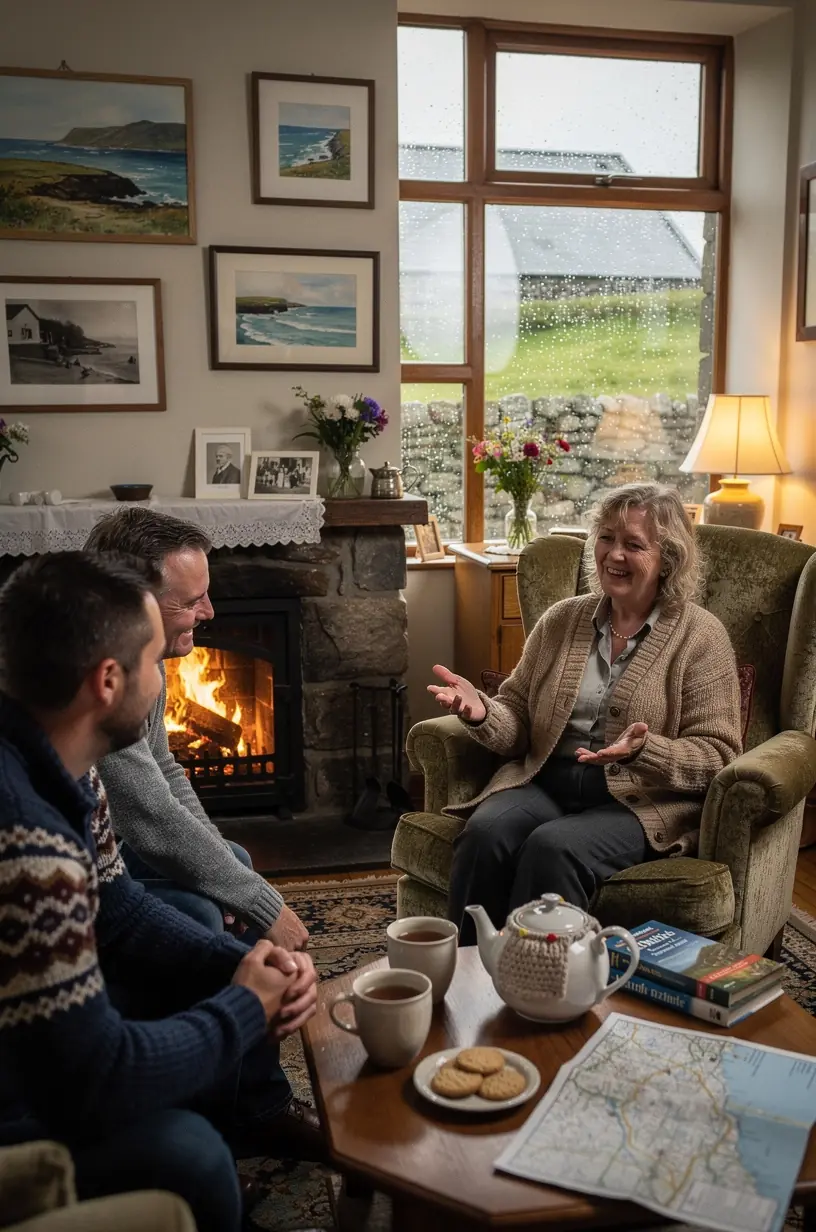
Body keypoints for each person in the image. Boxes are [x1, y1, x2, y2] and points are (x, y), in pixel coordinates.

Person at [0, 552, 320, 1232]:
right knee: (193, 1158)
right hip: (17, 1100)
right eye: (154, 661)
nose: (166, 677)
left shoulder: (64, 767)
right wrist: (242, 1008)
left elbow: (120, 908)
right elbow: (95, 1077)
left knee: (192, 944)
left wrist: (234, 964)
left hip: (36, 1037)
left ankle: (249, 1113)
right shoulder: (29, 846)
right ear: (108, 681)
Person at [430, 483, 743, 944]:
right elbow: (517, 718)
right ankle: (467, 981)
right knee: (485, 834)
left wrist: (645, 751)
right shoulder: (561, 620)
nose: (614, 554)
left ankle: (541, 990)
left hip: (635, 803)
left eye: (634, 544)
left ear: (668, 560)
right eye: (606, 537)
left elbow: (719, 754)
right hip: (547, 782)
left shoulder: (701, 638)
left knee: (551, 848)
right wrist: (482, 713)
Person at [84, 508, 310, 952]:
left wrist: (228, 878)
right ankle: (238, 1001)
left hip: (106, 843)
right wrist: (263, 905)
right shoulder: (103, 675)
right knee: (203, 912)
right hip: (75, 865)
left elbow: (164, 772)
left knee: (234, 861)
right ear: (135, 603)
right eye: (190, 602)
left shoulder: (146, 651)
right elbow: (145, 812)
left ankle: (246, 988)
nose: (208, 612)